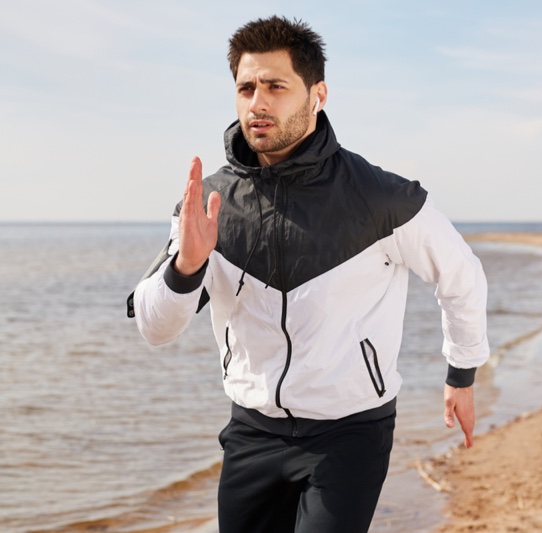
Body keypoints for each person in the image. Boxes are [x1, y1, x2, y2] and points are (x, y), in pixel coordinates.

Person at [127, 15, 489, 533]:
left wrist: (462, 373)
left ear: (317, 94)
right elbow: (155, 329)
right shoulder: (208, 204)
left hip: (350, 432)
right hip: (251, 432)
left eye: (276, 86)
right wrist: (186, 266)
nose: (258, 102)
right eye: (246, 87)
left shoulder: (381, 197)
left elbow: (461, 275)